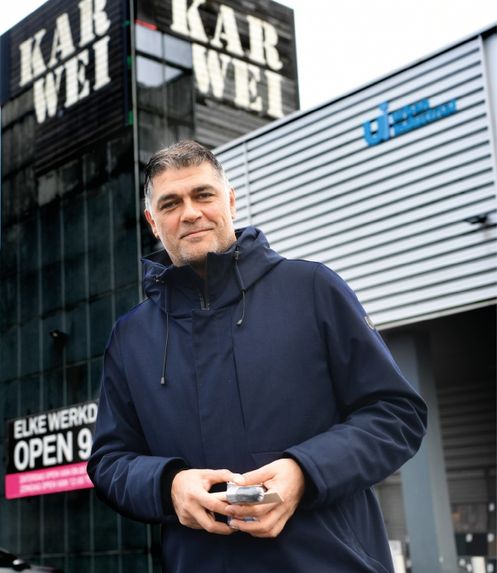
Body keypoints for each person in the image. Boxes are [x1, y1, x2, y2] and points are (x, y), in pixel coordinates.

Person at [86, 140, 427, 572]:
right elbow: (110, 461)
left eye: (203, 195)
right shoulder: (130, 337)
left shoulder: (312, 289)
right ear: (153, 222)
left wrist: (305, 473)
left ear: (230, 200)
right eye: (171, 204)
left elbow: (396, 413)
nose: (190, 213)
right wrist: (168, 485)